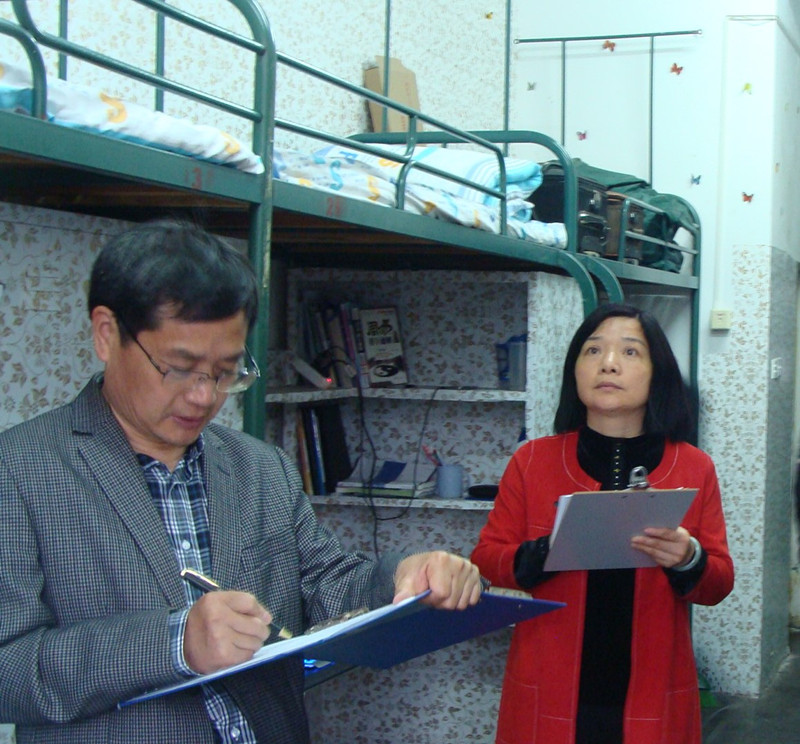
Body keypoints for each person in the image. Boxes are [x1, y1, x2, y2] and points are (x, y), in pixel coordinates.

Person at [0, 220, 482, 744]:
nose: (204, 396)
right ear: (106, 333)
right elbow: (9, 670)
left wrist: (403, 579)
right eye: (179, 367)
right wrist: (173, 644)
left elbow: (325, 586)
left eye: (226, 371)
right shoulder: (20, 470)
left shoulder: (260, 467)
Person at [471, 302, 734, 744]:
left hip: (654, 692)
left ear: (657, 374)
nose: (608, 363)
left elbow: (719, 584)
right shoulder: (532, 460)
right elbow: (486, 558)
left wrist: (689, 558)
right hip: (548, 686)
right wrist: (548, 551)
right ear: (574, 371)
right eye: (593, 350)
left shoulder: (694, 467)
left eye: (630, 352)